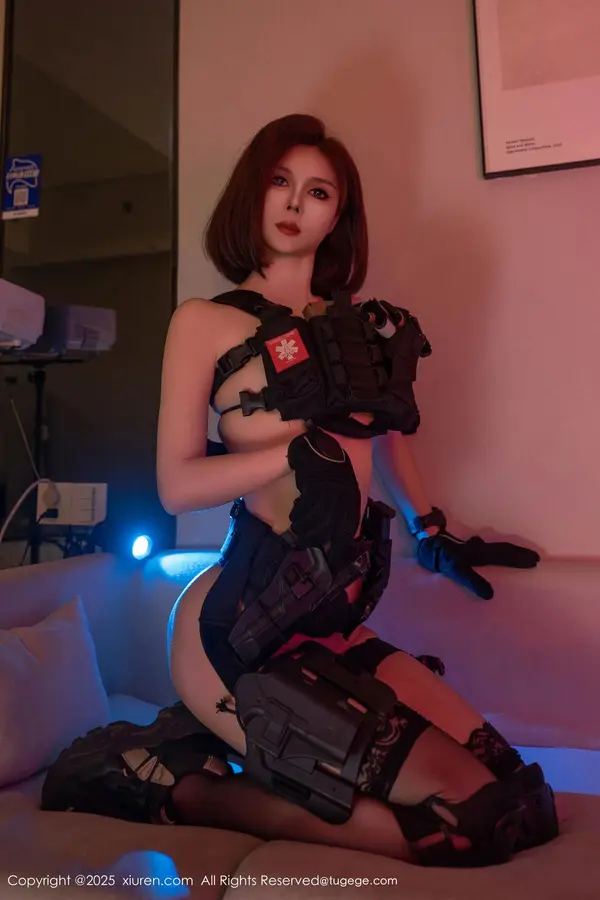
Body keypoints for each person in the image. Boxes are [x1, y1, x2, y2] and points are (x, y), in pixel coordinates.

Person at [41, 114, 558, 867]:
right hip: (242, 626)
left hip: (335, 620)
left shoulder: (358, 331)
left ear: (338, 215)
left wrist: (433, 530)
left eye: (318, 192)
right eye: (279, 182)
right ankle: (183, 787)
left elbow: (384, 439)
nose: (293, 203)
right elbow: (176, 485)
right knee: (465, 825)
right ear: (252, 193)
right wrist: (291, 452)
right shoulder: (205, 322)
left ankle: (224, 756)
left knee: (523, 804)